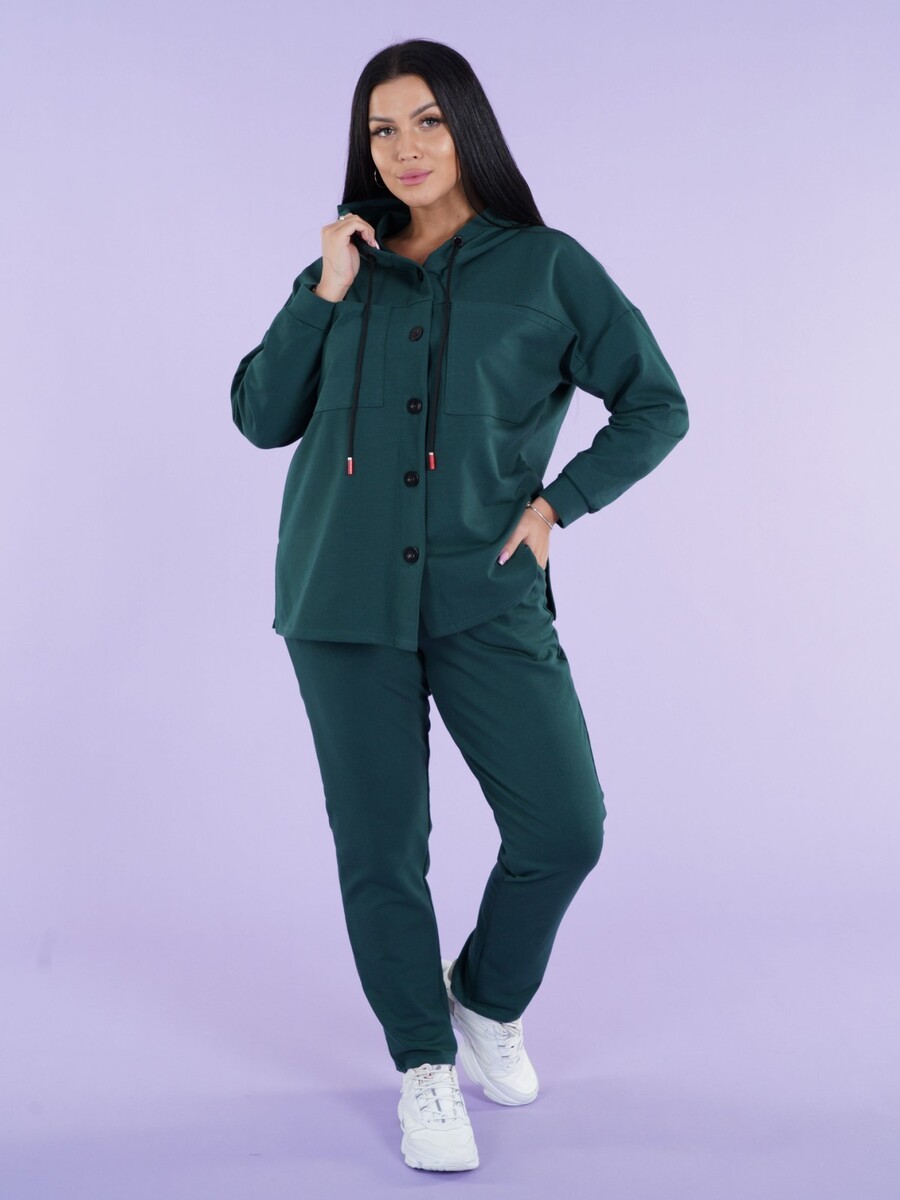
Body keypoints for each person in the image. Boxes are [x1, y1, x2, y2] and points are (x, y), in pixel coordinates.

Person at [230, 38, 689, 1173]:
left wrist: (559, 504)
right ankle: (424, 1067)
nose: (406, 148)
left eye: (427, 121)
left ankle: (484, 998)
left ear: (467, 126)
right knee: (383, 849)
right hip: (340, 599)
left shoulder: (547, 267)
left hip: (487, 592)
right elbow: (259, 416)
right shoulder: (342, 269)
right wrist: (324, 288)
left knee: (565, 827)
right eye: (382, 130)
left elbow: (655, 404)